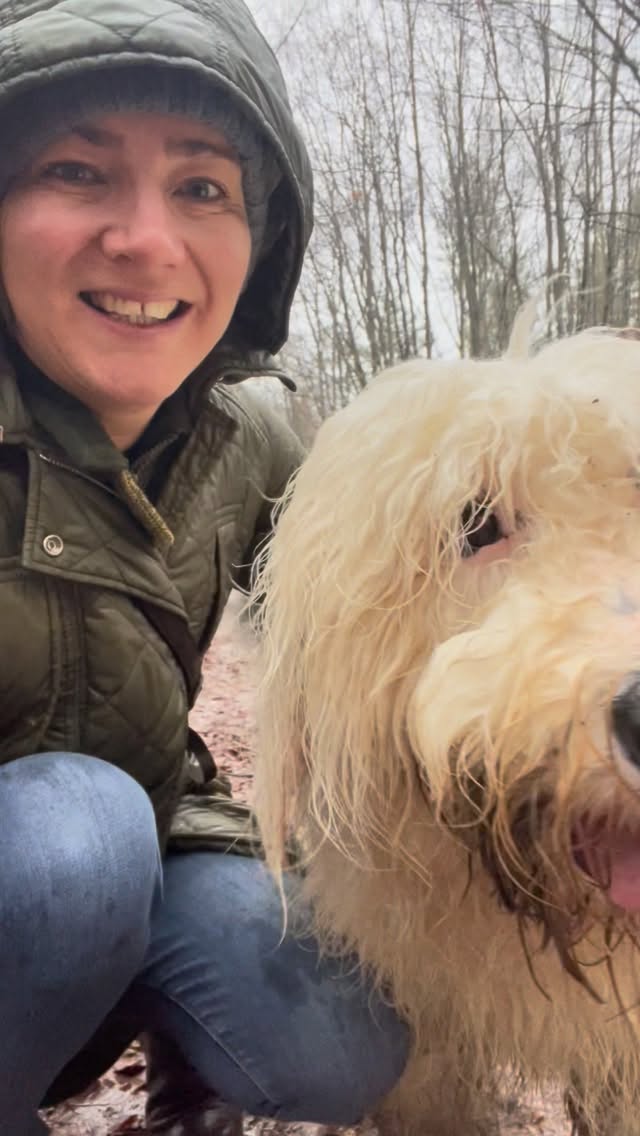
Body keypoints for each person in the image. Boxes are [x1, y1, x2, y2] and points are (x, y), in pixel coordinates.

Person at [0, 1, 410, 1134]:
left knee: (345, 1036)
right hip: (56, 865)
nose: (146, 240)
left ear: (259, 237)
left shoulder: (254, 434)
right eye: (76, 170)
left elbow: (388, 621)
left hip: (153, 833)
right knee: (76, 839)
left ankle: (189, 1066)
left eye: (200, 187)